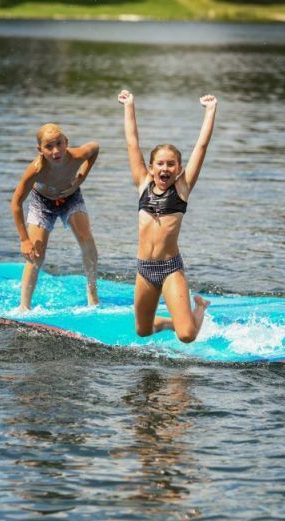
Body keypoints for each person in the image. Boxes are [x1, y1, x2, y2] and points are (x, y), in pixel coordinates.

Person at [117, 89, 216, 343]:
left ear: (179, 169)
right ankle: (170, 320)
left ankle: (200, 308)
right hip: (144, 269)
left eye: (171, 164)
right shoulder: (143, 184)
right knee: (142, 331)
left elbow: (201, 147)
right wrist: (129, 106)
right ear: (151, 168)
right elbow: (132, 143)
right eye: (160, 164)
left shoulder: (181, 189)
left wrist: (210, 111)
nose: (165, 168)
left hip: (170, 268)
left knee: (187, 336)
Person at [10, 123, 100, 310]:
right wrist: (24, 239)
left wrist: (81, 177)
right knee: (36, 254)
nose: (56, 151)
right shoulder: (36, 170)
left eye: (59, 144)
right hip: (42, 202)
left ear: (66, 142)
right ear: (40, 150)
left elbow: (95, 148)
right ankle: (24, 306)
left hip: (71, 197)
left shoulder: (77, 155)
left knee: (87, 240)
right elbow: (16, 202)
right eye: (49, 147)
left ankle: (92, 294)